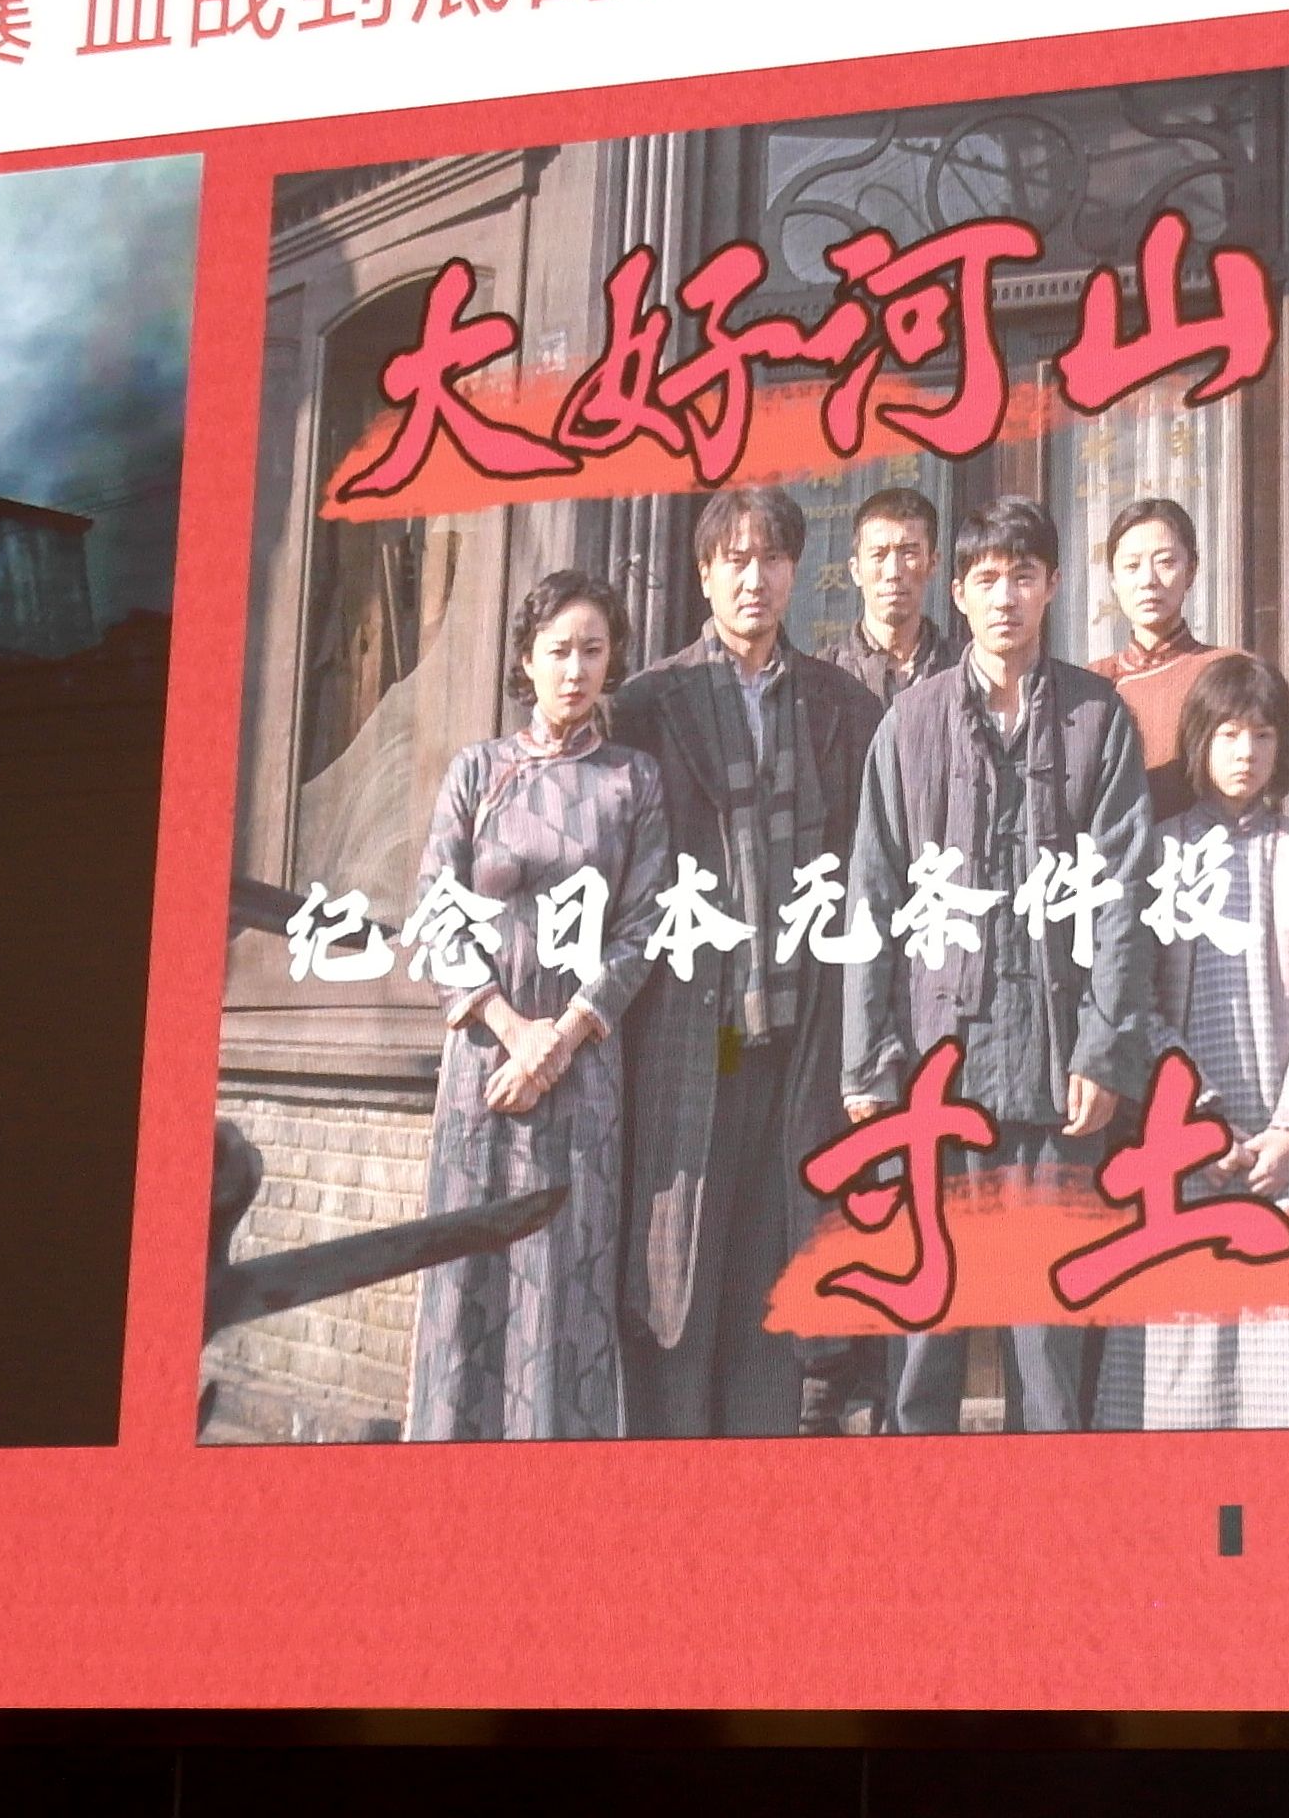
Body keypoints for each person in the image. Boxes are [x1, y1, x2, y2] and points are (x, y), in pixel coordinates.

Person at [844, 497, 1159, 1432]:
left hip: (1056, 1063)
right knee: (925, 1331)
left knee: (1047, 1340)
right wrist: (867, 1064)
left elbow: (1124, 897)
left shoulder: (1097, 718)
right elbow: (872, 897)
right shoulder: (910, 722)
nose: (1005, 596)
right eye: (986, 578)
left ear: (1053, 585)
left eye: (1023, 575)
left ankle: (1046, 1512)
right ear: (958, 591)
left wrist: (1104, 1049)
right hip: (935, 1059)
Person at [611, 492, 886, 1436]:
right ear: (704, 574)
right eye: (734, 559)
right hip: (695, 1022)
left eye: (771, 558)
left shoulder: (840, 705)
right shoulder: (649, 702)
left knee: (777, 1244)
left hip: (797, 1021)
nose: (753, 578)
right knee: (684, 1253)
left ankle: (757, 1456)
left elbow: (865, 869)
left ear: (796, 572)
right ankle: (673, 1453)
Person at [408, 566, 674, 1441]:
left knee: (565, 1275)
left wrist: (559, 1038)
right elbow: (436, 912)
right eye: (558, 650)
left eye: (592, 651)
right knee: (471, 1268)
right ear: (526, 658)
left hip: (582, 1069)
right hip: (483, 1067)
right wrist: (509, 1028)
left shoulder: (633, 780)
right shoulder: (477, 771)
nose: (575, 669)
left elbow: (643, 927)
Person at [1131, 651, 1289, 1431]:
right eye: (1228, 733)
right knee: (1186, 1362)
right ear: (1198, 741)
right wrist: (1197, 1120)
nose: (1245, 752)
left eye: (1263, 735)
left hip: (1284, 1144)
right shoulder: (1159, 852)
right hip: (1191, 1139)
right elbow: (1133, 997)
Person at [1088, 493, 1231, 807]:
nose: (1148, 580)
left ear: (1191, 571)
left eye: (1166, 562)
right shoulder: (1089, 685)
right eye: (1131, 566)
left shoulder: (1229, 672)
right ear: (1113, 580)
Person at [821, 484, 952, 711]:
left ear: (932, 564)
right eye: (878, 555)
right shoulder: (822, 676)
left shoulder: (962, 670)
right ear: (855, 570)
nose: (893, 572)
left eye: (908, 552)